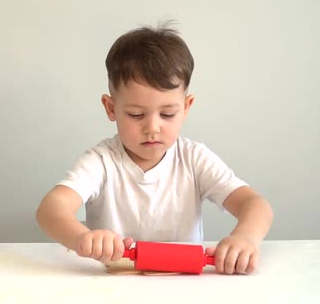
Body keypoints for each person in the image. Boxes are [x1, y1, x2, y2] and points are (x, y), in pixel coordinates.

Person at [36, 23, 273, 275]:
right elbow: (51, 209)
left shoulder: (193, 159)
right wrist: (83, 238)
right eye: (136, 114)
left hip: (184, 284)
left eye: (167, 114)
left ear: (186, 107)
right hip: (115, 285)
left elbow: (255, 204)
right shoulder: (102, 161)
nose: (152, 128)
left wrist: (245, 238)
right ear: (111, 108)